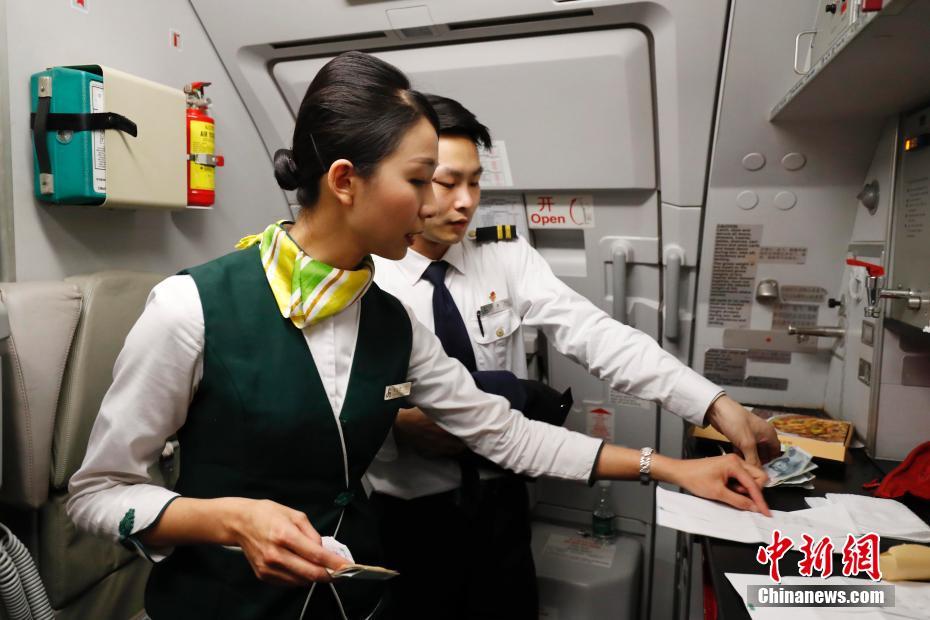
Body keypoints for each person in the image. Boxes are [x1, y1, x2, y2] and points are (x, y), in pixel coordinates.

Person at [67, 52, 771, 620]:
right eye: (422, 179)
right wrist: (226, 521)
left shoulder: (389, 321)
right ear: (346, 181)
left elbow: (505, 434)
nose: (444, 203)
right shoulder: (189, 308)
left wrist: (673, 468)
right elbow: (96, 493)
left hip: (354, 601)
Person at [367, 94, 781, 619]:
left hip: (503, 496)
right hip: (409, 514)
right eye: (448, 183)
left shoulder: (503, 254)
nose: (466, 202)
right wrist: (395, 429)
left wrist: (715, 405)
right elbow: (329, 408)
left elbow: (596, 335)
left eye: (475, 182)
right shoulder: (366, 280)